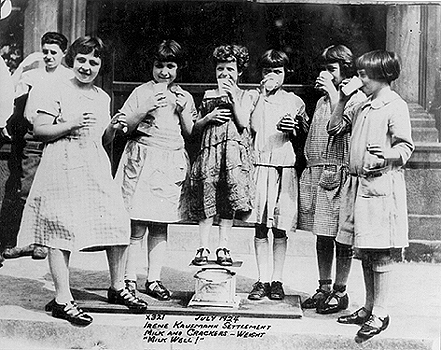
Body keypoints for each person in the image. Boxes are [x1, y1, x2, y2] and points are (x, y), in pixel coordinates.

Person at [17, 36, 148, 326]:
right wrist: (70, 124)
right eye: (82, 60)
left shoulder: (102, 97)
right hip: (61, 163)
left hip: (94, 163)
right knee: (59, 230)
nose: (87, 67)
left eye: (93, 62)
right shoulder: (54, 87)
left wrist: (114, 128)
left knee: (116, 222)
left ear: (100, 66)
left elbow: (103, 139)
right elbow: (39, 130)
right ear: (72, 60)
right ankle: (63, 299)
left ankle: (117, 287)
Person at [328, 50, 414, 342]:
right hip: (358, 187)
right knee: (364, 250)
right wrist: (341, 99)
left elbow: (405, 148)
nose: (359, 78)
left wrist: (384, 157)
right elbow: (334, 128)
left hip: (379, 186)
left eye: (364, 74)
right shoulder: (364, 104)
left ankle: (381, 312)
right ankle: (367, 306)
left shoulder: (394, 105)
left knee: (381, 252)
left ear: (381, 75)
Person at [115, 40, 196, 301]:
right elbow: (124, 125)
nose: (164, 72)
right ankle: (128, 278)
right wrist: (144, 108)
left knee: (160, 225)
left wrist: (183, 111)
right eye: (159, 65)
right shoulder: (141, 92)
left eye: (170, 66)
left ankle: (153, 279)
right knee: (136, 224)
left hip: (170, 161)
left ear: (179, 68)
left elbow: (190, 131)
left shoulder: (184, 96)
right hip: (143, 159)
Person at [298, 45, 366, 313]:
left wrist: (333, 92)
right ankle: (323, 287)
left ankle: (340, 290)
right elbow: (319, 137)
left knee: (341, 238)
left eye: (330, 69)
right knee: (322, 235)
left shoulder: (355, 98)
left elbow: (337, 130)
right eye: (323, 68)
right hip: (320, 173)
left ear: (345, 70)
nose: (324, 73)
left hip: (340, 175)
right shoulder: (320, 102)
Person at [1, 32, 73, 261]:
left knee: (53, 190)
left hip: (58, 134)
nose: (49, 56)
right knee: (26, 188)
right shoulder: (32, 75)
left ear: (64, 53)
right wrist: (23, 66)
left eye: (54, 52)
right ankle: (23, 241)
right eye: (45, 52)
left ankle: (45, 242)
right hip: (32, 136)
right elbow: (8, 92)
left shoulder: (69, 76)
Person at [247, 49, 309, 301]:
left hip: (284, 167)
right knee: (261, 227)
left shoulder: (294, 101)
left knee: (280, 228)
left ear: (285, 73)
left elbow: (302, 133)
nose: (271, 76)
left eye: (277, 71)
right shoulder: (254, 97)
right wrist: (262, 95)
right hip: (261, 165)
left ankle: (277, 281)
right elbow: (251, 126)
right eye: (267, 71)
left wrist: (293, 128)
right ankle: (262, 279)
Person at [189, 44, 255, 267]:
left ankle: (223, 246)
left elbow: (244, 122)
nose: (224, 74)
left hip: (233, 153)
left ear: (240, 72)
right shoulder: (208, 95)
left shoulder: (245, 94)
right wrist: (209, 117)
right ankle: (203, 246)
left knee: (228, 199)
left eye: (230, 70)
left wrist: (232, 97)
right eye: (220, 69)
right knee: (207, 194)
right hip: (210, 151)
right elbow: (194, 128)